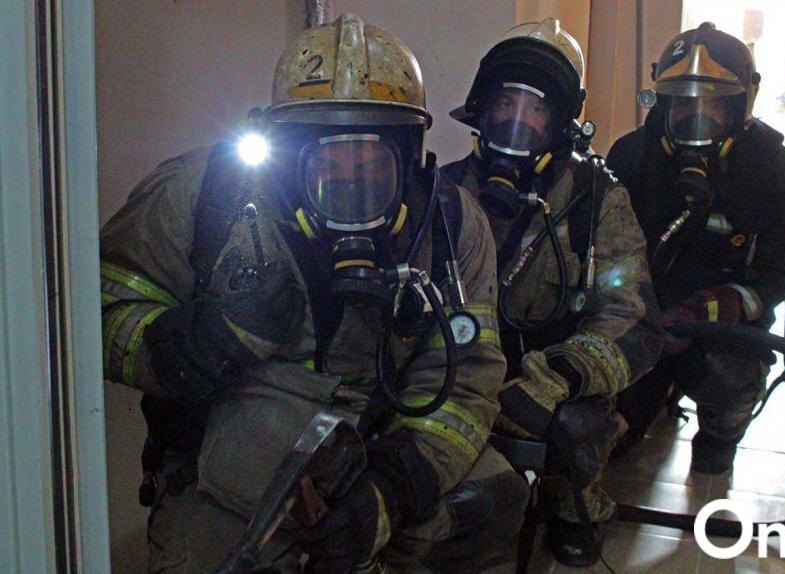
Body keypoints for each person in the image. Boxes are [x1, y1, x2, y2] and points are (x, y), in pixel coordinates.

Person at [99, 14, 524, 573]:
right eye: (326, 158)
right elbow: (96, 313)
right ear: (284, 149)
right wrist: (191, 346)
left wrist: (390, 493)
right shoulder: (205, 198)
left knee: (496, 496)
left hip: (381, 440)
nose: (348, 181)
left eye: (371, 161)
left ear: (408, 152)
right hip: (228, 466)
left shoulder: (451, 226)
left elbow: (466, 380)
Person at [442, 18, 663, 567]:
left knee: (578, 425)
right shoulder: (441, 192)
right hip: (453, 372)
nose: (516, 122)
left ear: (560, 125)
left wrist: (556, 377)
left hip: (544, 381)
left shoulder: (596, 202)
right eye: (505, 102)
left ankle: (574, 504)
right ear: (481, 110)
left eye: (535, 109)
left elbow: (632, 317)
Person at [607, 23, 785, 475]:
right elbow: (599, 251)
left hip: (722, 329)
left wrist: (718, 308)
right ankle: (649, 403)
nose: (695, 117)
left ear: (741, 103)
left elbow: (784, 269)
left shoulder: (777, 172)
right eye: (682, 103)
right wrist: (638, 315)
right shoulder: (630, 157)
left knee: (727, 378)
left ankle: (719, 434)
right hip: (641, 317)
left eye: (712, 105)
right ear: (662, 101)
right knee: (611, 440)